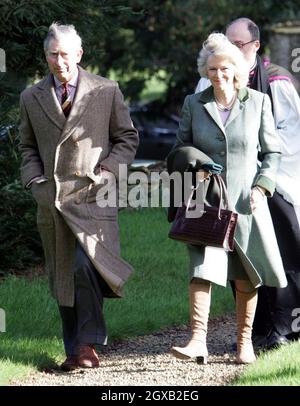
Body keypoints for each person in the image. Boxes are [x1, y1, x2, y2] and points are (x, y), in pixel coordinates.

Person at [19, 23, 138, 371]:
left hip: (92, 198)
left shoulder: (105, 90)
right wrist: (33, 180)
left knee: (86, 269)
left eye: (66, 54)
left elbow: (127, 139)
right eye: (53, 54)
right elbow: (25, 146)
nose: (60, 61)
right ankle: (74, 349)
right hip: (52, 200)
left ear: (79, 54)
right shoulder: (31, 97)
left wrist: (108, 170)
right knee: (63, 274)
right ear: (46, 56)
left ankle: (87, 344)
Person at [168, 33, 287, 365]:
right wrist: (195, 166)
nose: (218, 75)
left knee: (246, 274)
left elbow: (273, 152)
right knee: (202, 269)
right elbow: (179, 148)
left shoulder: (259, 102)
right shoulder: (195, 103)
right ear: (204, 71)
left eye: (224, 68)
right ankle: (197, 341)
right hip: (208, 201)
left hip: (247, 203)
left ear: (236, 69)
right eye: (212, 69)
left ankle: (244, 343)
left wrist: (262, 186)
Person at [196, 18, 300, 349]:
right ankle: (252, 333)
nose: (231, 49)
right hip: (229, 185)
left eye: (239, 44)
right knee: (240, 259)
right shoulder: (209, 80)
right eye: (227, 42)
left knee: (282, 249)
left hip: (276, 180)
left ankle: (284, 327)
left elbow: (290, 136)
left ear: (256, 46)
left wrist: (258, 169)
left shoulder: (277, 81)